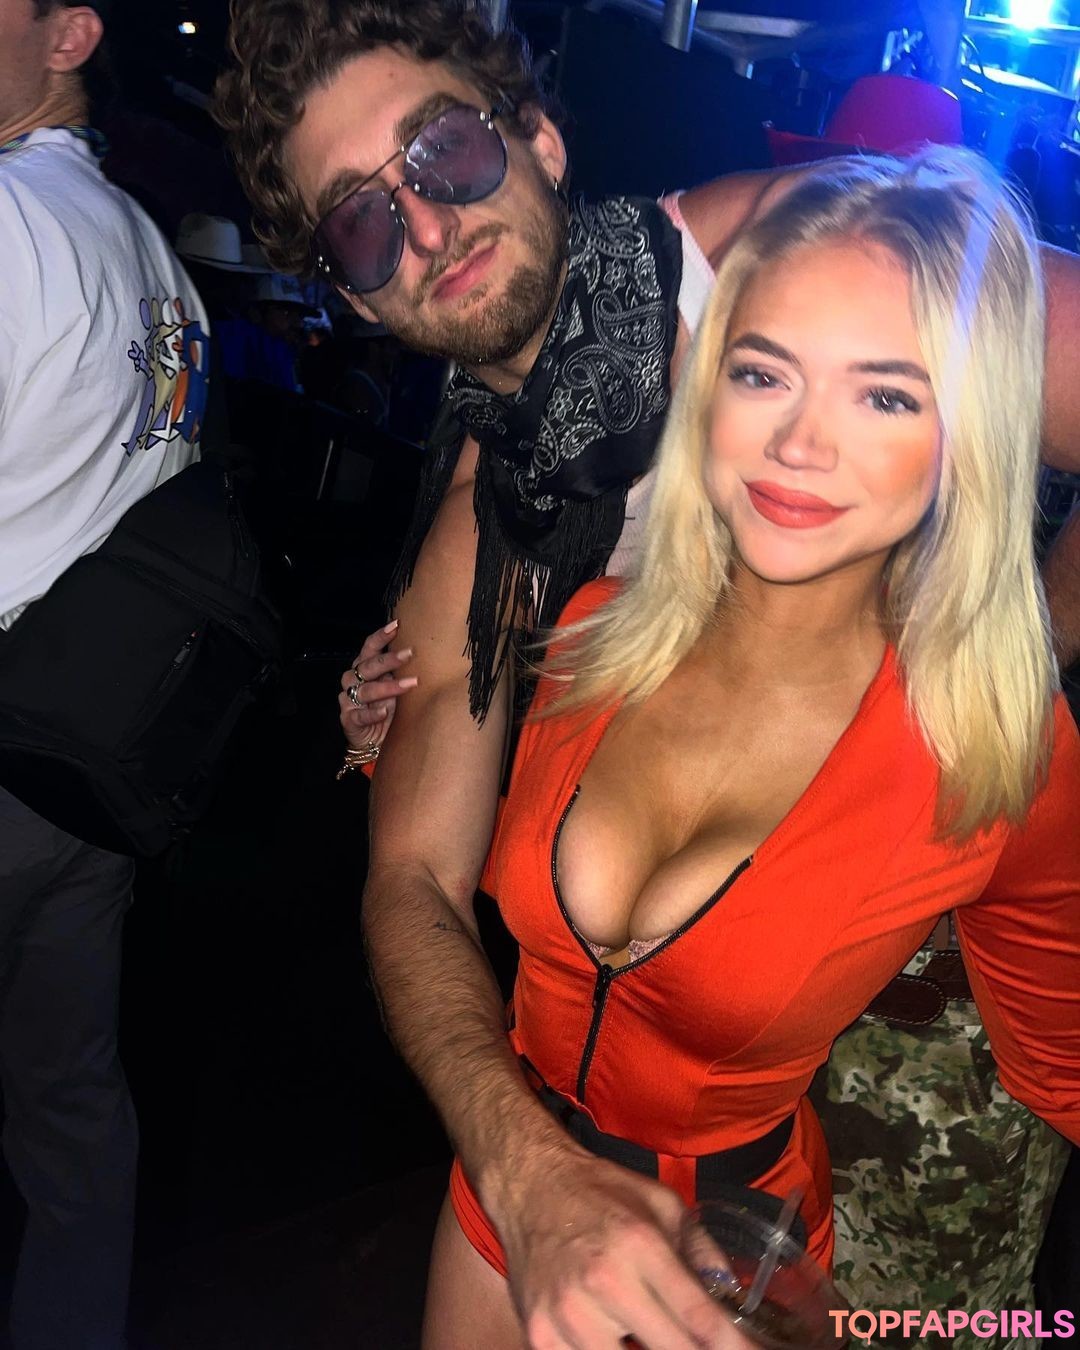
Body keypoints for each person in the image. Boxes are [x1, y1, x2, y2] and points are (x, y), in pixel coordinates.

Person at [214, 0, 1080, 1328]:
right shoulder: (487, 507)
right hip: (623, 1024)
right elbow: (416, 873)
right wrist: (525, 1171)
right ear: (354, 291)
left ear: (541, 138)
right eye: (365, 224)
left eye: (443, 152)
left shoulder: (765, 251)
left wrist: (1015, 657)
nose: (427, 228)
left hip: (915, 994)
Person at [452, 147, 1080, 1347]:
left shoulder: (996, 748)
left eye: (885, 396)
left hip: (736, 1274)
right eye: (761, 372)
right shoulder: (590, 635)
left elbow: (1066, 1051)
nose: (799, 442)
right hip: (506, 1194)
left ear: (970, 439)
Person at [0, 2, 209, 1345]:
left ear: (69, 35)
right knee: (70, 1105)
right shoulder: (157, 261)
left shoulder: (11, 221)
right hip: (95, 762)